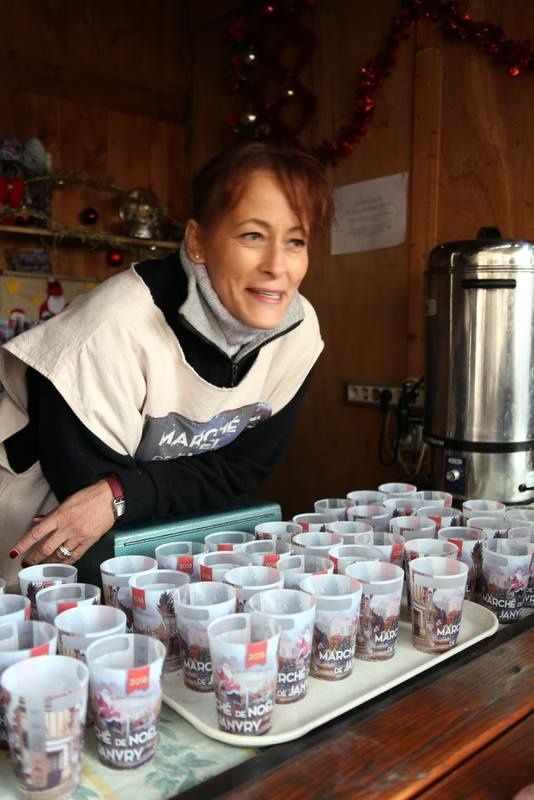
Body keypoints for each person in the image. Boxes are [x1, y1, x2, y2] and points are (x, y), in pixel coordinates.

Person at [0, 141, 333, 585]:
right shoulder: (111, 329)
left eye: (296, 241)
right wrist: (120, 494)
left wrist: (121, 492)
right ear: (197, 241)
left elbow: (242, 469)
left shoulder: (298, 333)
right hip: (34, 522)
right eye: (253, 235)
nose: (277, 265)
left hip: (146, 538)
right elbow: (87, 494)